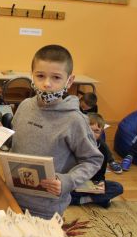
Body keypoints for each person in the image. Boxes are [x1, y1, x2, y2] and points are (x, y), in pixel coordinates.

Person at [10, 44, 103, 219]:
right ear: (32, 76)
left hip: (46, 208)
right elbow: (16, 142)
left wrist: (66, 181)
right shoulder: (24, 106)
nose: (46, 83)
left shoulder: (75, 120)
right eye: (40, 76)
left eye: (56, 78)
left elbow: (93, 160)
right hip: (11, 196)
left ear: (69, 81)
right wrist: (0, 135)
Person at [70, 113, 124, 208]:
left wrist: (98, 185)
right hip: (74, 182)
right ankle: (99, 199)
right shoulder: (73, 143)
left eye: (96, 131)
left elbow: (100, 175)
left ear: (101, 133)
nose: (92, 133)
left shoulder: (102, 149)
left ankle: (84, 200)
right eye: (89, 129)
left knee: (117, 187)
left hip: (91, 184)